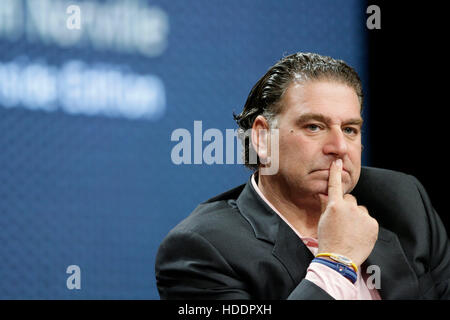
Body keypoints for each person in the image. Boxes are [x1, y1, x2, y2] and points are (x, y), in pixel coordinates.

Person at [155, 52, 450, 299]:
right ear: (262, 138)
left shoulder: (404, 202)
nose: (339, 148)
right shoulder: (202, 249)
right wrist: (336, 261)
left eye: (350, 130)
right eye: (314, 127)